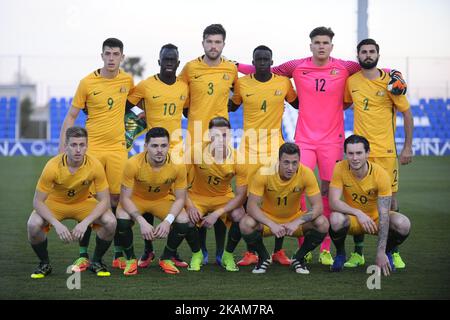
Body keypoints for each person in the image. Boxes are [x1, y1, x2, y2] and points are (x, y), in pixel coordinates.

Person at [238, 27, 407, 266]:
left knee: (328, 192)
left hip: (332, 140)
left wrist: (395, 73)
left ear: (331, 46)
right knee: (299, 189)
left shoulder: (345, 67)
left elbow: (371, 66)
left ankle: (326, 248)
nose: (321, 46)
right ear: (310, 45)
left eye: (325, 42)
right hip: (304, 140)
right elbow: (265, 69)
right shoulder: (297, 66)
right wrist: (235, 65)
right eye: (317, 42)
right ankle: (304, 249)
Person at [58, 38, 134, 270]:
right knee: (89, 201)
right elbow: (71, 116)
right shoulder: (87, 83)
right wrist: (63, 148)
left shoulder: (127, 80)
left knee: (117, 201)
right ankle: (83, 255)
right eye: (108, 54)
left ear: (122, 57)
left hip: (117, 150)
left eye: (116, 54)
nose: (111, 58)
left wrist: (134, 129)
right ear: (101, 56)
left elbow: (135, 106)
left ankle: (118, 254)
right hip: (93, 150)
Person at [343, 39, 413, 269]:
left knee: (391, 201)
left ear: (378, 54)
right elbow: (342, 105)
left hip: (385, 153)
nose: (368, 55)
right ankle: (358, 253)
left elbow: (407, 113)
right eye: (364, 51)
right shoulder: (351, 81)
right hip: (360, 153)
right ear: (358, 55)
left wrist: (407, 146)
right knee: (357, 200)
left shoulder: (392, 82)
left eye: (372, 51)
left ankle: (393, 251)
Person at [230, 45, 298, 267]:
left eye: (265, 59)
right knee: (250, 200)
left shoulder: (283, 82)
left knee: (277, 198)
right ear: (253, 60)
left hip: (274, 150)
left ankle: (279, 251)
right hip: (248, 151)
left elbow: (299, 103)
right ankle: (252, 252)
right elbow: (231, 105)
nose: (262, 62)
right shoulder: (242, 83)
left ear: (271, 61)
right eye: (258, 59)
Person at [126, 43, 189, 269]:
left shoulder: (184, 87)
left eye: (173, 60)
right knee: (149, 194)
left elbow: (189, 109)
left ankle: (171, 252)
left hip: (177, 150)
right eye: (166, 59)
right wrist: (141, 116)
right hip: (153, 148)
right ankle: (148, 250)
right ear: (159, 61)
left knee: (173, 201)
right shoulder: (146, 85)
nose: (170, 63)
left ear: (178, 63)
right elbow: (127, 105)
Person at [180, 24, 238, 265]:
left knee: (220, 190)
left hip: (220, 137)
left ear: (224, 44)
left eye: (218, 42)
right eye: (209, 41)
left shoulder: (231, 68)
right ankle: (202, 251)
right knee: (196, 193)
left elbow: (236, 99)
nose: (213, 46)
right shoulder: (190, 68)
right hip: (195, 137)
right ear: (202, 43)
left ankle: (221, 252)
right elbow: (181, 98)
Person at [27, 127, 117, 278]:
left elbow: (105, 200)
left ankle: (96, 261)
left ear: (87, 146)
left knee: (111, 221)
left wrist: (85, 222)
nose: (78, 150)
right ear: (66, 145)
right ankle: (44, 263)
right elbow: (37, 202)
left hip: (83, 203)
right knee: (33, 224)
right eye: (74, 145)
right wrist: (56, 224)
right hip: (55, 203)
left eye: (82, 145)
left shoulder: (94, 165)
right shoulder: (52, 166)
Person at [115, 127, 202, 275]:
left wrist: (168, 221)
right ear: (146, 147)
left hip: (162, 199)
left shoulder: (178, 165)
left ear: (168, 146)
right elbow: (125, 198)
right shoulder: (133, 163)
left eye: (163, 145)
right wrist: (141, 222)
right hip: (137, 199)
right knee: (122, 217)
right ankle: (130, 260)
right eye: (154, 146)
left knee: (183, 220)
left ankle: (166, 258)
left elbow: (181, 198)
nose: (159, 150)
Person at [240, 142, 328, 274]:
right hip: (269, 220)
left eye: (294, 162)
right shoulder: (264, 172)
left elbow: (318, 207)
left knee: (322, 223)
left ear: (299, 161)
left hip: (294, 220)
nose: (291, 167)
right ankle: (264, 257)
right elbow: (251, 207)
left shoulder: (306, 173)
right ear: (279, 161)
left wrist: (296, 222)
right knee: (245, 224)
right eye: (286, 162)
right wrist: (271, 224)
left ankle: (299, 257)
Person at [329, 135, 411, 275]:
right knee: (335, 219)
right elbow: (333, 202)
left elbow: (384, 215)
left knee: (403, 224)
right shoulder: (339, 168)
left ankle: (387, 252)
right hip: (355, 218)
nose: (355, 158)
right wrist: (358, 213)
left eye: (359, 153)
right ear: (346, 154)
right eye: (351, 153)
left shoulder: (381, 175)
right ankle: (341, 254)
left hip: (376, 219)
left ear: (367, 153)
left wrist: (380, 252)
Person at [185, 117, 247, 271]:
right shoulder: (195, 150)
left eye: (224, 135)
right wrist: (190, 206)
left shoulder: (238, 158)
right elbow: (179, 184)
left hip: (223, 198)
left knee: (240, 215)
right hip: (198, 196)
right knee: (185, 219)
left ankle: (226, 254)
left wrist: (217, 213)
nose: (220, 139)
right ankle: (198, 253)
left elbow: (241, 196)